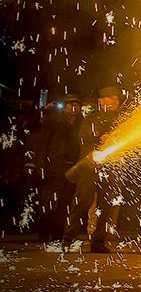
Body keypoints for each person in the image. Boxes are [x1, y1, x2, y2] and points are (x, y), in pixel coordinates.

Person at [63, 86, 124, 253]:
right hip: (90, 167)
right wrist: (100, 138)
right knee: (82, 201)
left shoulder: (122, 119)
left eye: (115, 99)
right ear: (100, 101)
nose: (113, 102)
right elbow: (85, 138)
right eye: (109, 98)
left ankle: (99, 242)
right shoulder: (91, 119)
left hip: (111, 167)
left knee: (107, 205)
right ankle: (68, 239)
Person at [27, 95, 82, 242]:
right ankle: (45, 233)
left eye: (77, 104)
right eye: (71, 104)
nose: (74, 107)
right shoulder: (53, 121)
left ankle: (58, 233)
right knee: (49, 201)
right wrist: (41, 164)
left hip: (72, 167)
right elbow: (43, 142)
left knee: (64, 202)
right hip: (54, 165)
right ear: (65, 106)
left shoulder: (80, 123)